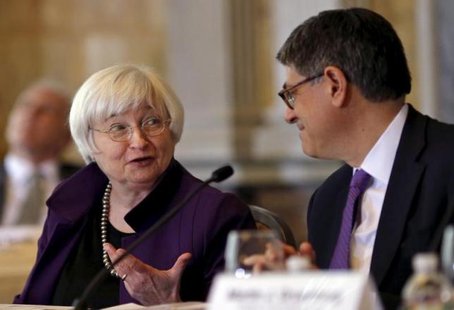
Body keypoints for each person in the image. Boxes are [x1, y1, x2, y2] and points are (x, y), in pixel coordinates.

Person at [13, 64, 256, 308]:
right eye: (118, 128)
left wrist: (170, 304)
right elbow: (32, 301)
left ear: (171, 131)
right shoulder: (70, 205)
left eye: (152, 122)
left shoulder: (218, 214)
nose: (139, 141)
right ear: (89, 141)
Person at [275, 7, 454, 309]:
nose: (288, 114)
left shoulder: (448, 163)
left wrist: (332, 294)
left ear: (335, 84)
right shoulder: (327, 200)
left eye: (291, 94)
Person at [1, 80, 79, 226]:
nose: (30, 114)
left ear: (68, 133)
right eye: (25, 105)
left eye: (46, 110)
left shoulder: (89, 182)